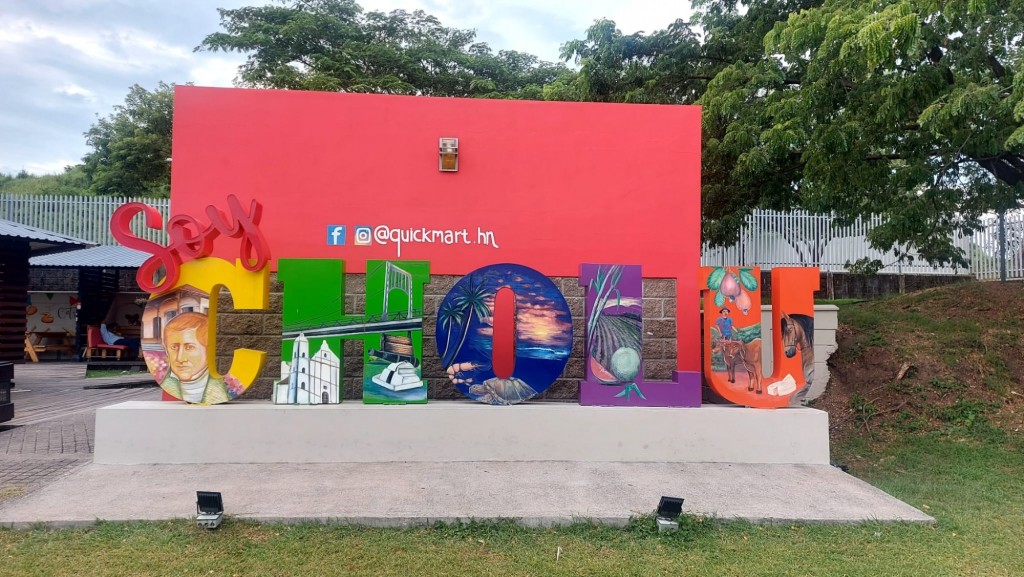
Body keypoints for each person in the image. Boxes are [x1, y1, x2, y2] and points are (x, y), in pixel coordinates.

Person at [159, 312, 229, 404]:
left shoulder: (218, 391)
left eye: (189, 347)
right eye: (174, 347)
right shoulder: (168, 386)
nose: (180, 358)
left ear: (208, 349)